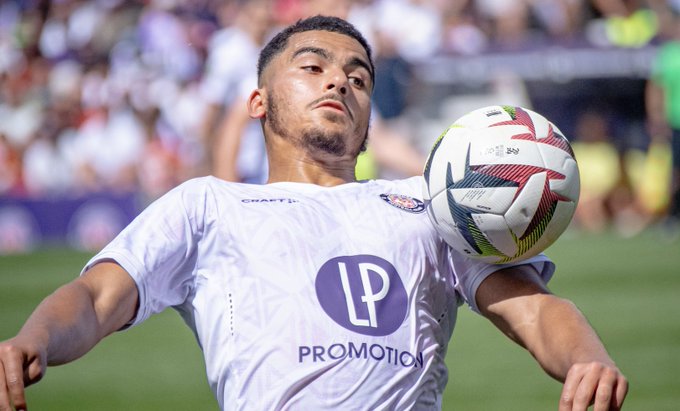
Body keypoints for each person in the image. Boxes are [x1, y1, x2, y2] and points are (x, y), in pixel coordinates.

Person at [0, 15, 628, 411]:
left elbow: (539, 310)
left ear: (369, 114)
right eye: (313, 68)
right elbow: (95, 299)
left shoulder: (429, 205)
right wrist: (33, 340)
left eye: (358, 78)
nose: (339, 83)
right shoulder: (209, 205)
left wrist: (587, 360)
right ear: (258, 100)